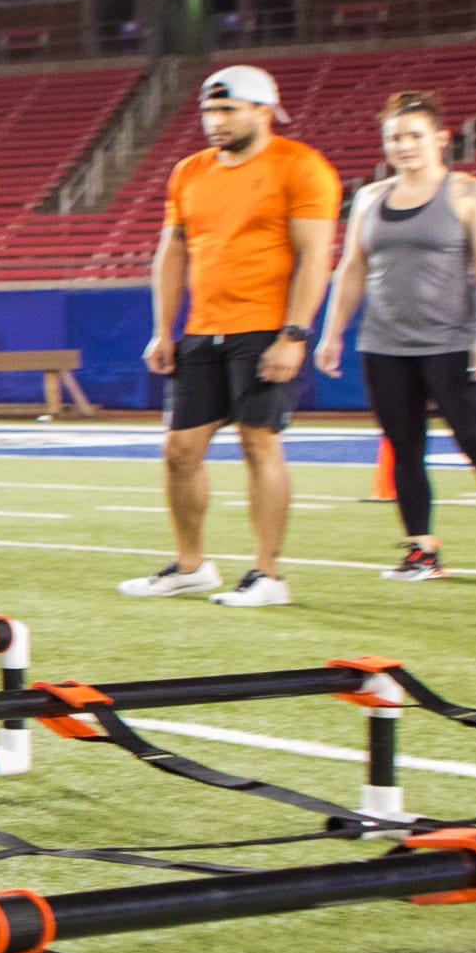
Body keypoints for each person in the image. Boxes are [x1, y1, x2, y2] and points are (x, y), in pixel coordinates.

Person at [122, 63, 341, 606]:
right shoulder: (189, 171)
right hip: (203, 330)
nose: (213, 121)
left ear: (263, 111)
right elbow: (172, 252)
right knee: (178, 450)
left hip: (265, 328)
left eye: (227, 109)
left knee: (258, 443)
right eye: (208, 111)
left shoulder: (301, 166)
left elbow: (316, 256)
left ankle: (267, 574)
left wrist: (294, 335)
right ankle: (191, 565)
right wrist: (162, 330)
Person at [319, 88, 476, 586]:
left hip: (454, 343)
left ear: (441, 139)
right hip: (384, 346)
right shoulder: (369, 197)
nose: (404, 146)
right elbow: (352, 268)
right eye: (395, 138)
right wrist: (332, 333)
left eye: (414, 136)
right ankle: (421, 551)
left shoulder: (472, 194)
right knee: (404, 448)